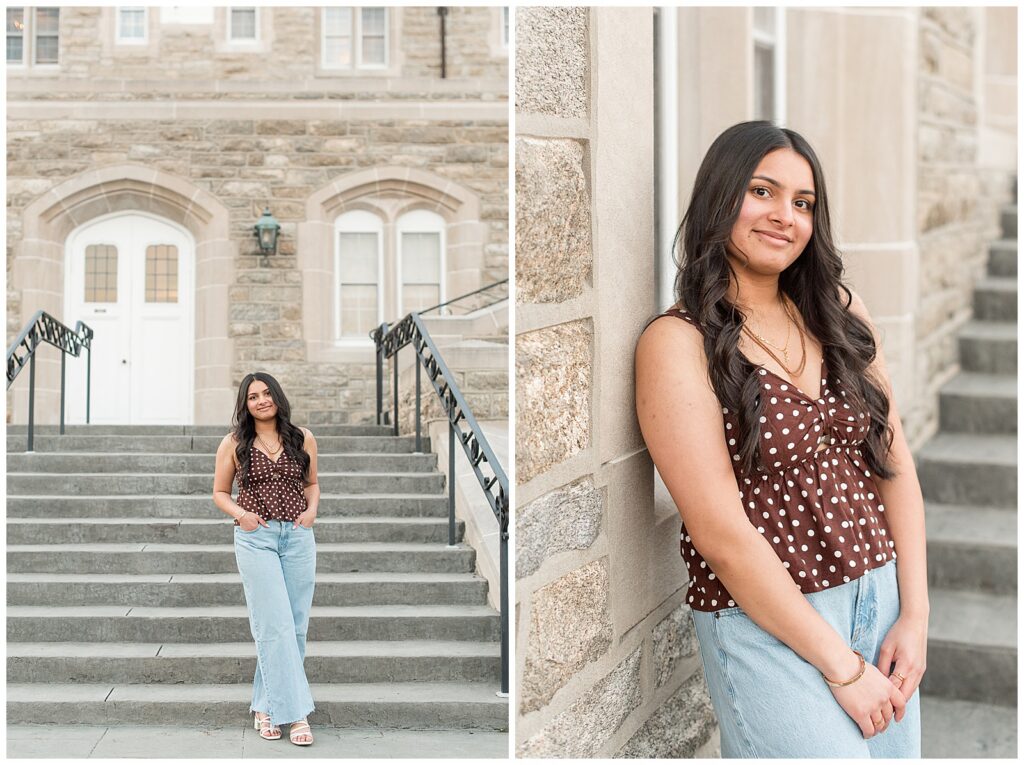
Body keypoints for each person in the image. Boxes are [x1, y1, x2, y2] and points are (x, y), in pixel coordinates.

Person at [635, 121, 926, 758]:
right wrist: (842, 668)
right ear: (720, 197)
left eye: (803, 203)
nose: (784, 216)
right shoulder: (678, 343)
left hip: (878, 600)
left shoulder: (842, 315)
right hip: (766, 620)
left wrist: (915, 614)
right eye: (762, 192)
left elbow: (894, 467)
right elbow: (720, 534)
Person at [213, 371, 320, 746]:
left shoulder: (302, 437)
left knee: (295, 626)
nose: (261, 400)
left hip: (298, 536)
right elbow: (220, 492)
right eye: (252, 396)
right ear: (245, 405)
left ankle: (264, 705)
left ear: (277, 396)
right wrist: (240, 515)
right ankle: (297, 715)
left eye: (266, 393)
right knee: (273, 624)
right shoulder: (234, 442)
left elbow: (311, 483)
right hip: (256, 537)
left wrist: (312, 511)